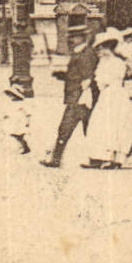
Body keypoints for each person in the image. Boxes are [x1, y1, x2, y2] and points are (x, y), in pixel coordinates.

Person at [42, 22, 98, 168]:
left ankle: (56, 159)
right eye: (70, 37)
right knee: (87, 128)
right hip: (79, 97)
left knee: (66, 127)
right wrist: (63, 75)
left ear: (82, 38)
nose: (70, 40)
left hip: (79, 98)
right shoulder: (80, 52)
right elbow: (77, 75)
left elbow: (87, 78)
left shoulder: (86, 54)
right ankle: (96, 158)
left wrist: (82, 96)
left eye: (74, 37)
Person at [81, 29, 132, 169]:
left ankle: (112, 158)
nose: (99, 52)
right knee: (98, 125)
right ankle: (97, 157)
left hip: (115, 95)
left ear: (107, 48)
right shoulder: (102, 63)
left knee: (114, 125)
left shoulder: (117, 62)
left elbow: (111, 79)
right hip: (105, 95)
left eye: (101, 49)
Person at [4, 80, 33, 156]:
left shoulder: (22, 103)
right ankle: (23, 147)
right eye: (9, 95)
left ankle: (25, 147)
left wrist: (28, 121)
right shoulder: (12, 103)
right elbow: (10, 111)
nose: (10, 96)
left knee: (18, 134)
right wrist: (6, 116)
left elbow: (28, 113)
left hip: (19, 121)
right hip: (13, 121)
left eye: (11, 95)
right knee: (15, 134)